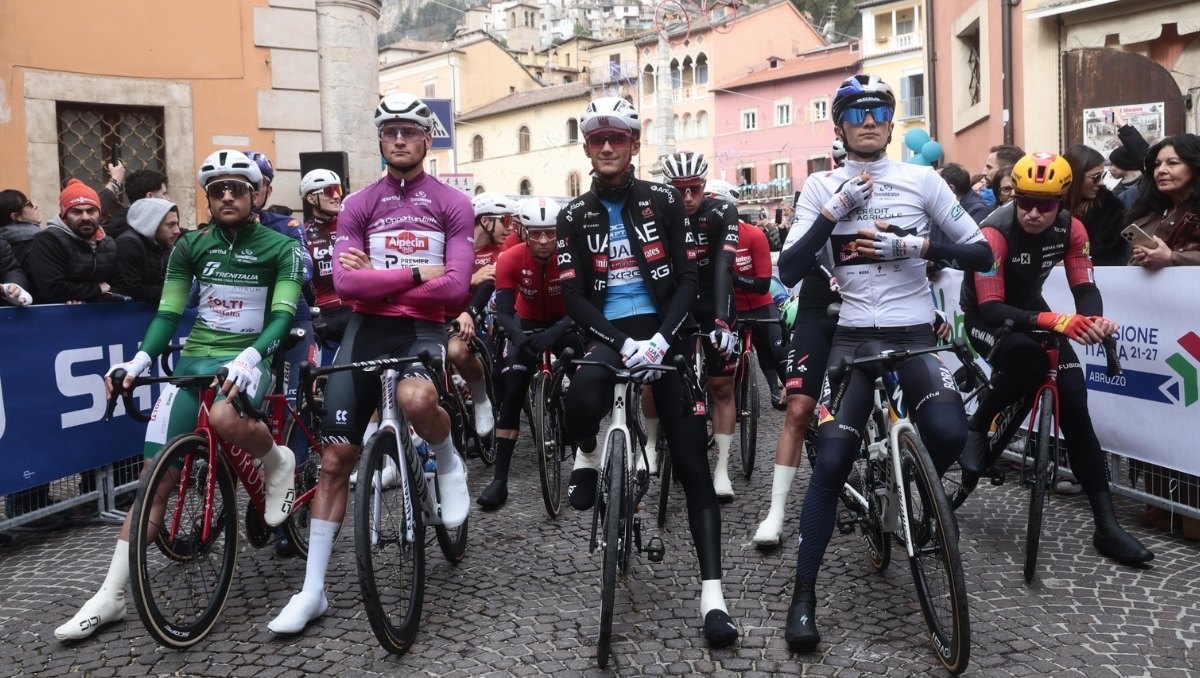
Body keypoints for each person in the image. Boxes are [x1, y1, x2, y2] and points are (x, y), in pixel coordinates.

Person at [776, 74, 992, 651]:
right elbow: (788, 271)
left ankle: (914, 499)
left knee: (948, 430)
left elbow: (983, 254)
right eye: (856, 112)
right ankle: (803, 597)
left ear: (891, 124)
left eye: (879, 111)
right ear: (841, 126)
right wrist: (831, 215)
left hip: (913, 331)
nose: (869, 120)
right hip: (851, 341)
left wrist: (918, 247)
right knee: (831, 464)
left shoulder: (922, 181)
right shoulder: (820, 185)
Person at [54, 149, 303, 641]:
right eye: (216, 189)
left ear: (255, 194)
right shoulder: (189, 247)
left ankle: (278, 462)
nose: (226, 195)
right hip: (195, 361)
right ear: (207, 198)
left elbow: (283, 316)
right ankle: (110, 595)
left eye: (236, 187)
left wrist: (252, 357)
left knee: (229, 418)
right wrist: (139, 360)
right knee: (155, 480)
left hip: (250, 356)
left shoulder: (281, 247)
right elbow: (168, 314)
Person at [267, 93, 475, 634]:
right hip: (363, 331)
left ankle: (448, 459)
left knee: (416, 398)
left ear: (428, 138)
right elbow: (347, 283)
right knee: (336, 462)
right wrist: (414, 274)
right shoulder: (359, 205)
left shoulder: (451, 202)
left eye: (410, 131)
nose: (400, 139)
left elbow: (453, 292)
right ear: (380, 141)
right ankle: (312, 592)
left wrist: (385, 275)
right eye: (390, 132)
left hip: (420, 330)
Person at [557, 96, 739, 646]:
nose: (607, 147)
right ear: (587, 148)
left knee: (690, 462)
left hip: (665, 329)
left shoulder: (663, 200)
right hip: (606, 333)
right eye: (596, 139)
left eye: (617, 138)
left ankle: (714, 597)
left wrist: (660, 339)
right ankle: (588, 453)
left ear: (634, 145)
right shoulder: (572, 215)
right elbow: (572, 297)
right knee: (582, 393)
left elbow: (688, 279)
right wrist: (621, 342)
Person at [957, 152, 1154, 565]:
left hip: (1033, 312)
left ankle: (1107, 526)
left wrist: (1094, 319)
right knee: (1027, 362)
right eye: (1023, 200)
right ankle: (979, 424)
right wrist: (1057, 321)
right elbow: (991, 307)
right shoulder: (995, 231)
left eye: (1044, 205)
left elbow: (1084, 286)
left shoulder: (1072, 228)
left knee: (1076, 410)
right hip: (986, 317)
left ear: (1061, 201)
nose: (1031, 212)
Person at [477, 197, 582, 509]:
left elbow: (581, 308)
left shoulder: (570, 257)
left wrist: (554, 333)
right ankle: (499, 482)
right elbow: (505, 314)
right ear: (522, 232)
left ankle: (583, 465)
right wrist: (521, 341)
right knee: (512, 393)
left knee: (581, 389)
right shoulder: (510, 259)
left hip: (563, 325)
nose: (544, 241)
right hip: (525, 326)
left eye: (550, 232)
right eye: (536, 233)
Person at [661, 151, 740, 500]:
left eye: (693, 189)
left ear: (704, 186)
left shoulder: (722, 211)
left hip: (713, 297)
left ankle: (721, 470)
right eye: (679, 191)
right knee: (657, 376)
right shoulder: (659, 212)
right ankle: (650, 446)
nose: (687, 198)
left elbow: (724, 266)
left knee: (721, 386)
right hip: (677, 298)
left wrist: (722, 322)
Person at [443, 190, 516, 438]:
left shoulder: (500, 252)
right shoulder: (453, 244)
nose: (510, 229)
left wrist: (469, 313)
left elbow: (488, 287)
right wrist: (470, 279)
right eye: (505, 221)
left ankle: (481, 395)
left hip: (469, 316)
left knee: (457, 351)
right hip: (434, 313)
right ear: (485, 220)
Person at [26, 179, 118, 304]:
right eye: (77, 212)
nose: (85, 217)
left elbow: (120, 285)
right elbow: (53, 289)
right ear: (64, 215)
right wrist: (97, 289)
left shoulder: (108, 243)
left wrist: (88, 298)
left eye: (91, 211)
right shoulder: (48, 241)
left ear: (99, 213)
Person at [298, 168, 351, 354]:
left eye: (339, 190)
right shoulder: (301, 233)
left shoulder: (352, 225)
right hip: (324, 317)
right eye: (329, 191)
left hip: (356, 310)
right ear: (311, 199)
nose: (337, 196)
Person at [1063, 144, 1129, 266]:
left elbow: (1115, 259)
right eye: (1096, 177)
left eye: (1102, 176)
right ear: (1074, 176)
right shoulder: (1048, 207)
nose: (1101, 183)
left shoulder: (1111, 210)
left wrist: (1074, 264)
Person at [111, 198, 180, 303]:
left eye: (177, 224)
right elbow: (132, 289)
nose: (177, 231)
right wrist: (172, 292)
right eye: (170, 225)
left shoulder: (163, 245)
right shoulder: (128, 244)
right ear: (153, 224)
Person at [98, 163, 170, 238]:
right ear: (150, 196)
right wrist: (115, 181)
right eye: (164, 194)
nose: (168, 199)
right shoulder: (131, 233)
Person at [0, 189, 41, 267]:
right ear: (16, 216)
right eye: (29, 204)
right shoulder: (37, 239)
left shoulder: (3, 241)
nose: (35, 206)